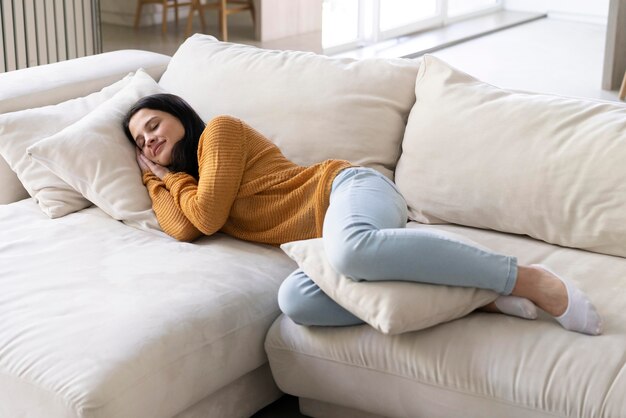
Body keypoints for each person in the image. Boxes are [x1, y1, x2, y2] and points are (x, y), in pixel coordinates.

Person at [123, 93, 603, 336]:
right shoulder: (187, 182)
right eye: (140, 142)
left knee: (352, 250)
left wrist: (166, 178)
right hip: (323, 246)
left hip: (347, 190)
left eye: (154, 125)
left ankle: (528, 279)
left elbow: (204, 218)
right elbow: (184, 227)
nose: (149, 140)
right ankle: (477, 297)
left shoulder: (218, 134)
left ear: (180, 116)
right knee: (297, 302)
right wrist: (155, 177)